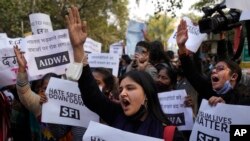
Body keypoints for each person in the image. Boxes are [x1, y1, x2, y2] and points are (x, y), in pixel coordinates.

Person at [66, 6, 185, 140]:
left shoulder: (169, 135)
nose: (122, 93)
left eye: (130, 88)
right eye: (121, 89)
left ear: (146, 94)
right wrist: (78, 48)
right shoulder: (117, 115)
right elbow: (91, 95)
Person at [176, 19, 250, 106]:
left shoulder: (245, 97)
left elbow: (223, 57)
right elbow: (191, 73)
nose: (214, 71)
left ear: (233, 76)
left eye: (220, 69)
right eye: (214, 68)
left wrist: (225, 106)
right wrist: (181, 46)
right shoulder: (209, 91)